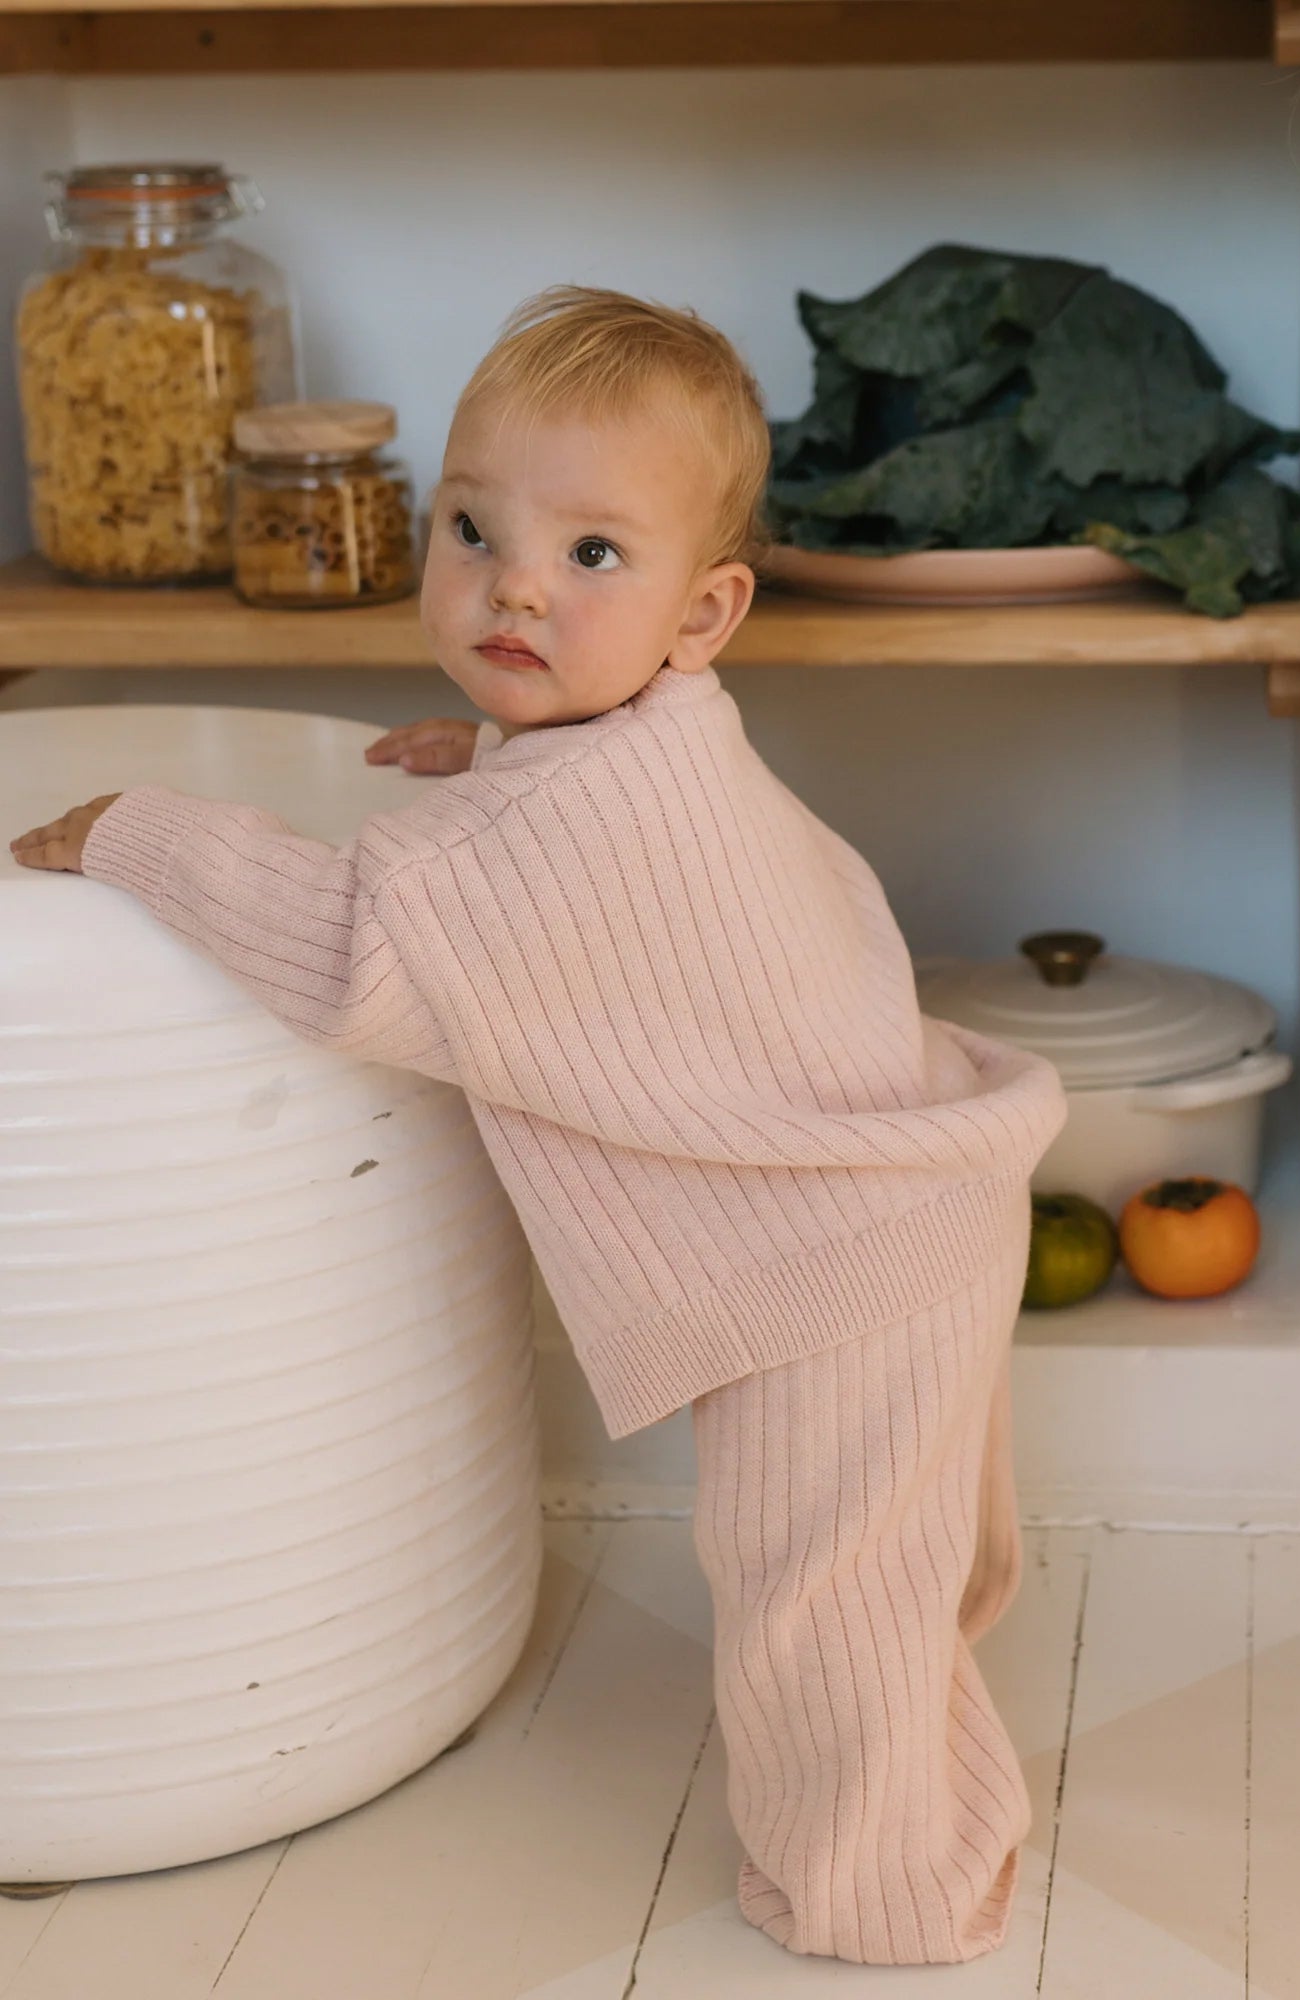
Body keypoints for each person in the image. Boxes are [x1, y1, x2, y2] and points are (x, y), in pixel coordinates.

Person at [12, 286, 1065, 1966]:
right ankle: (930, 1789)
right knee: (897, 1562)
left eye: (592, 558)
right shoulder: (658, 733)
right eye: (473, 526)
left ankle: (885, 1897)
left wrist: (141, 835)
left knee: (820, 1606)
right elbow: (567, 852)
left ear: (704, 610)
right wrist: (495, 759)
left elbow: (357, 947)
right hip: (914, 1204)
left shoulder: (525, 843)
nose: (513, 582)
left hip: (839, 1271)